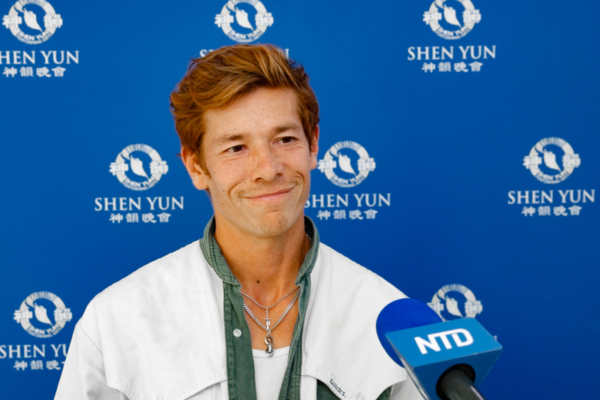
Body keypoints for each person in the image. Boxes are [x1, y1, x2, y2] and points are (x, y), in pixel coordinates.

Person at [55, 44, 423, 400]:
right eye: (236, 148)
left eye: (285, 139)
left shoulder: (389, 320)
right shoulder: (116, 321)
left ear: (313, 145)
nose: (268, 169)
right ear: (196, 166)